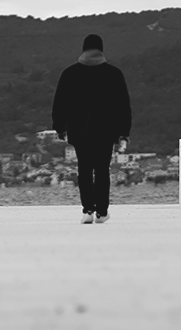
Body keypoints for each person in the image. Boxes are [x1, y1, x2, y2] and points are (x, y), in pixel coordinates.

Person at [51, 34, 132, 223]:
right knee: (102, 170)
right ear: (101, 49)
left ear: (83, 48)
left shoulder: (69, 73)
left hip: (79, 130)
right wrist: (124, 132)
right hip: (106, 130)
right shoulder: (114, 73)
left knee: (85, 169)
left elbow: (59, 103)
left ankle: (87, 210)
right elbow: (123, 105)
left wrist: (60, 127)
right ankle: (101, 212)